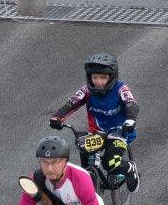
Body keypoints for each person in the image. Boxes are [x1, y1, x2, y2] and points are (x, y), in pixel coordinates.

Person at [49, 53, 140, 192]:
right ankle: (89, 182)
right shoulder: (87, 90)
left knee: (110, 163)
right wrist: (57, 118)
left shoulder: (120, 88)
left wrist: (130, 120)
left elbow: (131, 103)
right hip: (98, 132)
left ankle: (129, 168)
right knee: (83, 148)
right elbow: (72, 103)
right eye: (95, 77)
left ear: (112, 77)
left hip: (119, 132)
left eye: (103, 77)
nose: (98, 81)